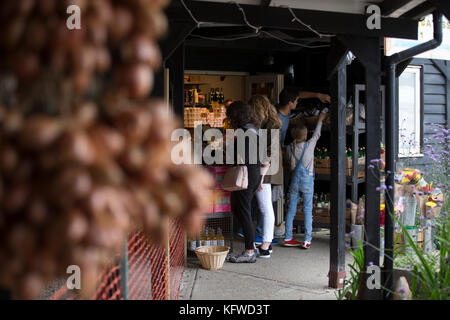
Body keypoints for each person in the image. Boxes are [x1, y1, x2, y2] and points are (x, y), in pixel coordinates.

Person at [226, 101, 263, 263]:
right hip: (254, 173)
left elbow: (242, 156)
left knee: (244, 211)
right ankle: (252, 246)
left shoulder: (243, 132)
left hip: (246, 174)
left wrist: (229, 144)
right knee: (239, 208)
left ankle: (249, 251)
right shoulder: (254, 130)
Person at [283, 110, 328, 249]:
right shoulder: (309, 145)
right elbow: (318, 134)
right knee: (308, 210)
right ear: (305, 135)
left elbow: (291, 167)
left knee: (291, 210)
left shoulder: (289, 147)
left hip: (294, 182)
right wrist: (320, 120)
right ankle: (307, 239)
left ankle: (288, 237)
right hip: (307, 182)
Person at [248, 95, 283, 258]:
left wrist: (260, 177)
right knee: (265, 206)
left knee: (265, 206)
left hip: (266, 170)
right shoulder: (272, 124)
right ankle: (266, 244)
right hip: (267, 169)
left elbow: (268, 154)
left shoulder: (270, 126)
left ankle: (266, 245)